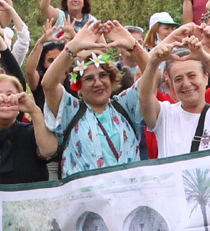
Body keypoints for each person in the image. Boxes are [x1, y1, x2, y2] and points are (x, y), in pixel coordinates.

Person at [41, 22, 160, 174]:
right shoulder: (71, 109)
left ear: (111, 79)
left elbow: (153, 75)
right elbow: (48, 85)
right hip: (85, 197)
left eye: (103, 75)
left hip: (129, 194)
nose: (98, 83)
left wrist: (133, 46)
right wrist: (72, 47)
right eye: (89, 78)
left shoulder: (124, 105)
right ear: (79, 86)